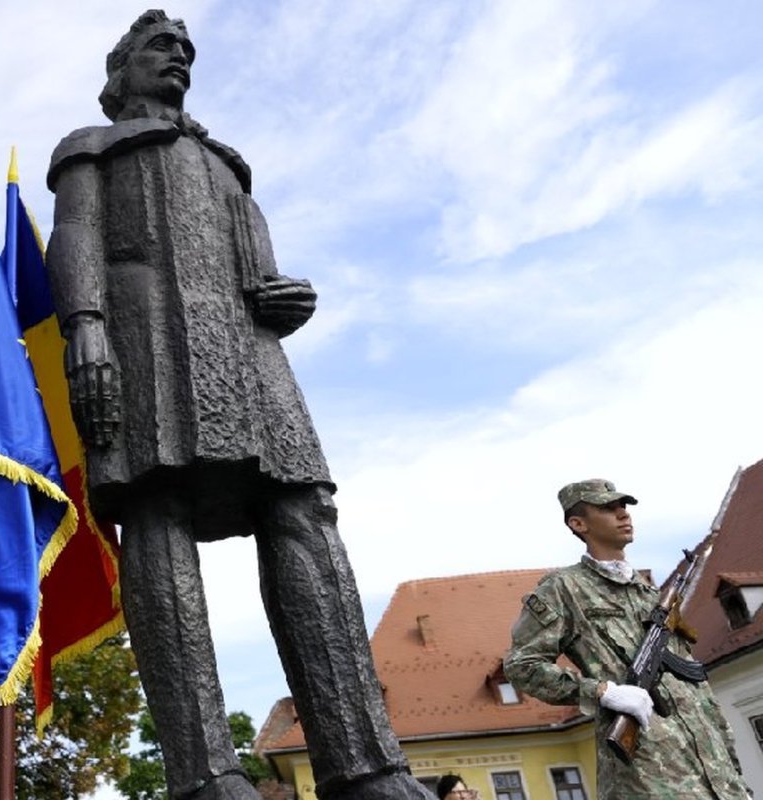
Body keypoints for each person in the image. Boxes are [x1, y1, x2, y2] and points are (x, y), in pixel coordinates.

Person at [43, 10, 429, 800]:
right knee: (158, 510)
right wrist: (85, 331)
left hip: (250, 350)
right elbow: (74, 236)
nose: (179, 58)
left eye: (186, 50)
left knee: (304, 511)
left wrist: (284, 297)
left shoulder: (225, 163)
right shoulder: (91, 146)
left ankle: (367, 766)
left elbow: (257, 270)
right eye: (161, 47)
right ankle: (205, 775)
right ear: (120, 72)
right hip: (144, 332)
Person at [503, 479, 749, 799]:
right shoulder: (564, 589)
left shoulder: (649, 593)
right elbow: (522, 666)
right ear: (578, 524)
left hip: (716, 777)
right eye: (608, 508)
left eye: (624, 507)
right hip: (650, 778)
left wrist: (732, 769)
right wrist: (601, 692)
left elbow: (695, 686)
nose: (623, 514)